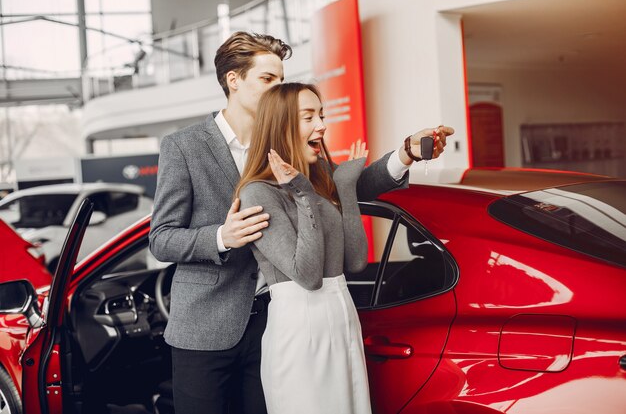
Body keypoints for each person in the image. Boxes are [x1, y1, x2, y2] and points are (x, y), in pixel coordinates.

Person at [149, 31, 453, 414]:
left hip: (278, 322)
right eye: (268, 79)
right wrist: (221, 237)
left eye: (281, 77)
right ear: (234, 80)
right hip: (207, 326)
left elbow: (345, 186)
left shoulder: (288, 142)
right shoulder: (184, 146)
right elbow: (161, 238)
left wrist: (406, 154)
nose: (280, 87)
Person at [236, 82, 372, 413]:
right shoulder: (258, 193)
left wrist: (345, 188)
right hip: (300, 328)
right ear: (280, 126)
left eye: (321, 115)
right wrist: (303, 195)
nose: (322, 125)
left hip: (342, 319)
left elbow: (355, 262)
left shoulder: (319, 182)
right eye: (308, 116)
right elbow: (307, 275)